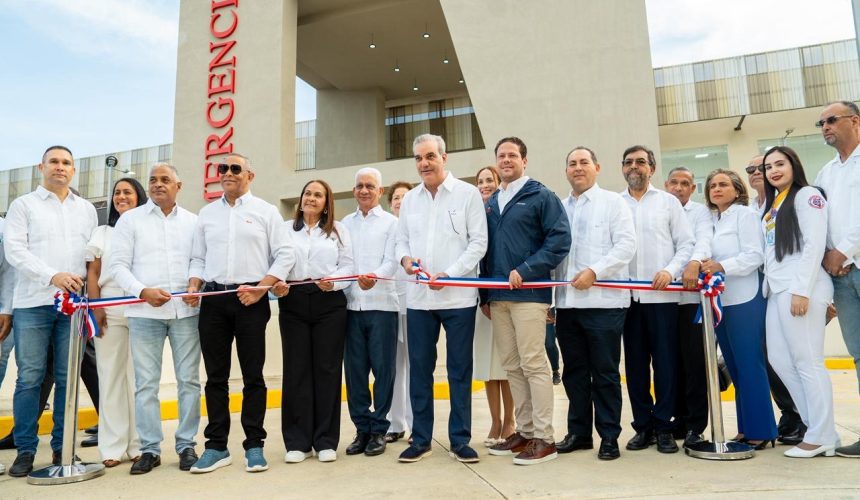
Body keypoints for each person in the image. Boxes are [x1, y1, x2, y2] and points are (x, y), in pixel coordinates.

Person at [187, 154, 294, 473]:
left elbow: (285, 254)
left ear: (250, 175)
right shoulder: (206, 214)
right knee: (215, 377)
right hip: (214, 300)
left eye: (235, 168)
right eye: (223, 168)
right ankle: (216, 446)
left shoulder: (266, 211)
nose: (228, 173)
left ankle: (254, 445)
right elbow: (198, 258)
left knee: (253, 376)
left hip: (251, 300)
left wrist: (261, 288)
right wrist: (194, 284)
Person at [3, 145, 98, 477]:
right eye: (54, 161)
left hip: (73, 307)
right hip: (33, 303)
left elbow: (91, 256)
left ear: (74, 170)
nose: (60, 167)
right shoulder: (23, 205)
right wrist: (52, 275)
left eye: (66, 162)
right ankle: (26, 450)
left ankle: (63, 448)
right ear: (41, 167)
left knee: (67, 379)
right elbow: (15, 251)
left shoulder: (87, 210)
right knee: (29, 377)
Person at [395, 133, 487, 464]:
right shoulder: (410, 200)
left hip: (458, 299)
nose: (424, 163)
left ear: (444, 158)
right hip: (419, 300)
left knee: (459, 371)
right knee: (420, 370)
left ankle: (460, 440)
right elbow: (401, 241)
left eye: (430, 156)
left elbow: (478, 243)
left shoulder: (467, 194)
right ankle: (421, 439)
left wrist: (450, 274)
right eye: (419, 158)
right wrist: (406, 260)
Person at [484, 136, 571, 466]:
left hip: (530, 295)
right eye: (501, 156)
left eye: (512, 155)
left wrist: (526, 269)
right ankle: (525, 430)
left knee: (534, 363)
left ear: (524, 160)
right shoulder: (492, 201)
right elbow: (485, 250)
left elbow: (560, 240)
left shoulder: (541, 196)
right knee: (512, 365)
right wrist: (485, 295)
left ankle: (545, 438)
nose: (506, 160)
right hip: (498, 297)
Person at [111, 163, 201, 475]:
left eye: (165, 180)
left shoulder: (193, 221)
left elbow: (199, 259)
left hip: (185, 313)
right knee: (146, 384)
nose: (158, 184)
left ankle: (186, 445)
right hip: (144, 313)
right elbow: (117, 266)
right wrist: (142, 291)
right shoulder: (130, 220)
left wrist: (195, 283)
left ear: (179, 185)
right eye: (153, 180)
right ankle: (149, 449)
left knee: (189, 381)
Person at [554, 146, 635, 460]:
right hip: (568, 305)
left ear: (597, 168)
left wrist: (595, 271)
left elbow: (626, 245)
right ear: (566, 171)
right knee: (573, 372)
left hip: (604, 304)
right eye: (572, 163)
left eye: (584, 162)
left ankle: (609, 436)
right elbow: (554, 257)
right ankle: (579, 433)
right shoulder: (559, 208)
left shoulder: (613, 203)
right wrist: (550, 301)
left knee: (605, 372)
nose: (578, 167)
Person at [761, 146, 839, 458]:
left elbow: (814, 244)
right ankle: (817, 427)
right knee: (780, 360)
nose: (773, 171)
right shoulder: (773, 204)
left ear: (794, 164)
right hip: (777, 289)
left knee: (808, 361)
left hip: (801, 287)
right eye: (768, 167)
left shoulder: (807, 195)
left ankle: (822, 435)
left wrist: (802, 290)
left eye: (780, 164)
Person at [619, 145, 693, 454]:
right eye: (628, 162)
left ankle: (664, 427)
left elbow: (686, 244)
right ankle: (643, 427)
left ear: (651, 168)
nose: (634, 166)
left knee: (665, 365)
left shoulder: (668, 203)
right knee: (635, 368)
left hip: (662, 298)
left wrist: (670, 270)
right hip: (627, 300)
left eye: (640, 162)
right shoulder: (615, 204)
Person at [273, 179, 353, 464]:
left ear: (326, 202)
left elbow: (349, 266)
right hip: (293, 299)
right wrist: (276, 284)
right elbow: (274, 261)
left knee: (327, 370)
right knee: (296, 371)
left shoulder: (338, 230)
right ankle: (298, 442)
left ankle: (325, 441)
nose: (311, 198)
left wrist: (335, 282)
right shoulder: (284, 229)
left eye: (318, 195)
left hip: (328, 301)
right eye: (308, 193)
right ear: (301, 198)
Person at [700, 169, 777, 449]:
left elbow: (755, 255)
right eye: (712, 185)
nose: (717, 189)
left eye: (723, 184)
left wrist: (721, 266)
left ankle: (762, 430)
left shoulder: (745, 215)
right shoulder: (711, 219)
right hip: (721, 301)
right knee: (734, 366)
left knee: (749, 364)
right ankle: (745, 429)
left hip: (746, 298)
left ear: (737, 190)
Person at [745, 154, 807, 445]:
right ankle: (788, 413)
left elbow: (812, 245)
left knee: (798, 356)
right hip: (760, 289)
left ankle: (802, 417)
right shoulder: (749, 209)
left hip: (791, 287)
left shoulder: (796, 200)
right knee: (771, 356)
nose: (759, 172)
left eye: (765, 167)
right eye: (753, 169)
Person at [86, 177, 147, 467]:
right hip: (108, 307)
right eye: (117, 193)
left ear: (139, 197)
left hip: (142, 307)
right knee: (109, 376)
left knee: (138, 378)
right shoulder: (102, 232)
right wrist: (96, 306)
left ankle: (138, 445)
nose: (121, 197)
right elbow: (93, 273)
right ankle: (111, 447)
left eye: (128, 192)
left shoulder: (147, 228)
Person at [813, 100, 860, 457]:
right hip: (842, 278)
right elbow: (819, 222)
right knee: (858, 354)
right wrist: (831, 256)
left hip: (850, 261)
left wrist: (842, 251)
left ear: (854, 121)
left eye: (831, 120)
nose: (825, 127)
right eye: (821, 123)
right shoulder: (825, 173)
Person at [342, 167, 399, 457]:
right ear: (354, 190)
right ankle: (362, 428)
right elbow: (342, 261)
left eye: (370, 186)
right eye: (360, 186)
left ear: (380, 191)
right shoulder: (344, 224)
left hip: (382, 305)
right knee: (355, 373)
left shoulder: (392, 223)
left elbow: (392, 261)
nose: (364, 190)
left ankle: (379, 429)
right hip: (351, 307)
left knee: (383, 370)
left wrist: (374, 276)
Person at [664, 166, 712, 448]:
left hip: (692, 300)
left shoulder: (700, 212)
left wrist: (694, 262)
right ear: (666, 184)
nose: (679, 187)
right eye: (674, 182)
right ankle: (678, 419)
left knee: (694, 364)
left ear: (693, 188)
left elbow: (703, 240)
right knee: (671, 364)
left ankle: (696, 425)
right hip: (663, 299)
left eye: (685, 183)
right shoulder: (660, 207)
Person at [474, 165, 516, 446]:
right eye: (480, 181)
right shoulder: (474, 214)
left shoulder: (505, 211)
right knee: (488, 367)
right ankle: (495, 421)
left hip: (505, 297)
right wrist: (483, 298)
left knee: (506, 364)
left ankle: (510, 420)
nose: (485, 185)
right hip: (481, 301)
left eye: (490, 180)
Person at [385, 181, 413, 443]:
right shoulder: (386, 227)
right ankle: (395, 424)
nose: (400, 201)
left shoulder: (415, 227)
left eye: (405, 196)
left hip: (413, 306)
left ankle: (417, 426)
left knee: (415, 368)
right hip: (389, 307)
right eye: (396, 197)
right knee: (394, 368)